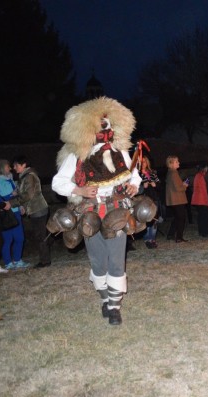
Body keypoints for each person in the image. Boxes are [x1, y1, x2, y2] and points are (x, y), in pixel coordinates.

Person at [52, 97, 141, 325]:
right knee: (98, 263)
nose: (104, 127)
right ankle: (105, 299)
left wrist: (134, 184)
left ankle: (114, 308)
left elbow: (135, 174)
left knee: (116, 261)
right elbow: (57, 183)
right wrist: (79, 189)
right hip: (90, 214)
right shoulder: (77, 155)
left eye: (107, 122)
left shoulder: (120, 152)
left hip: (117, 211)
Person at [11, 155, 51, 267]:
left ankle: (45, 261)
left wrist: (12, 203)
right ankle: (45, 259)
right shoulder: (24, 176)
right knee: (40, 235)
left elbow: (28, 195)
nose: (14, 167)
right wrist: (23, 205)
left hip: (38, 209)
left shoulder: (29, 176)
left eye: (16, 165)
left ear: (23, 165)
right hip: (35, 209)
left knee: (40, 236)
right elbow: (26, 194)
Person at [0, 159, 30, 269]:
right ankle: (8, 263)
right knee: (7, 240)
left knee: (20, 238)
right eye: (7, 166)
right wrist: (11, 195)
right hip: (6, 215)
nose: (10, 168)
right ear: (1, 168)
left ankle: (18, 260)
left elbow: (17, 197)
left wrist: (21, 206)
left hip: (16, 212)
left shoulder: (10, 180)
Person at [165, 155, 189, 243]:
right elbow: (178, 188)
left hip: (174, 199)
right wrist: (184, 186)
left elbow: (175, 185)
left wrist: (181, 184)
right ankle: (179, 237)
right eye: (176, 162)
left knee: (177, 218)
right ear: (171, 164)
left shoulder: (170, 172)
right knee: (181, 218)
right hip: (177, 199)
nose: (178, 163)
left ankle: (171, 235)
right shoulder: (174, 173)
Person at [139, 157, 161, 248]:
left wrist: (155, 185)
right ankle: (147, 239)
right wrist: (143, 186)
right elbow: (136, 187)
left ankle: (152, 239)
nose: (143, 163)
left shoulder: (152, 173)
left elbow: (159, 185)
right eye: (142, 162)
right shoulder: (137, 174)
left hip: (154, 198)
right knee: (147, 219)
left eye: (145, 161)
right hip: (144, 199)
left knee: (154, 219)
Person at [191, 162, 208, 237]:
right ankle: (204, 232)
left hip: (198, 200)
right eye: (207, 167)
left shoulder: (197, 175)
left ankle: (201, 231)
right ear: (204, 168)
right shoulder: (202, 176)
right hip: (202, 199)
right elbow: (204, 189)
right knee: (204, 216)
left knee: (201, 216)